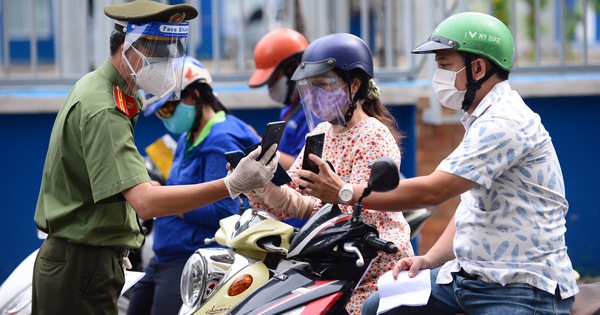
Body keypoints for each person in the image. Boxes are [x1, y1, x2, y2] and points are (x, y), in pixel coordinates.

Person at [296, 12, 579, 315]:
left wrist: (344, 191)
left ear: (479, 68)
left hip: (520, 286)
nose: (437, 75)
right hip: (467, 278)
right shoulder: (479, 119)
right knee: (376, 307)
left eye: (444, 65)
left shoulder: (504, 123)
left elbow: (435, 190)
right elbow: (471, 208)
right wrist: (430, 259)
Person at [32, 2, 279, 314]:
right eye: (160, 53)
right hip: (81, 262)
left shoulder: (111, 91)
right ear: (128, 48)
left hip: (90, 256)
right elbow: (146, 202)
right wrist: (231, 184)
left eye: (173, 52)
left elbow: (106, 185)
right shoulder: (105, 108)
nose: (167, 64)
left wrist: (116, 241)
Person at [244, 33, 413, 315]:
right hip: (329, 267)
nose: (314, 96)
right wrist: (259, 183)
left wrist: (313, 199)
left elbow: (359, 218)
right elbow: (292, 197)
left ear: (354, 85)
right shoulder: (320, 133)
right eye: (309, 87)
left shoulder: (372, 136)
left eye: (323, 85)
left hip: (370, 274)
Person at [126, 56, 260, 315]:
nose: (166, 117)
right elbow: (182, 187)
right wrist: (161, 190)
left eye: (168, 109)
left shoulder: (221, 139)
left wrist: (164, 202)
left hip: (190, 259)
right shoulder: (190, 136)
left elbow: (223, 212)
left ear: (195, 95)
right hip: (164, 257)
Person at [248, 28, 310, 170]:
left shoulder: (314, 111)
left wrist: (257, 143)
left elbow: (303, 167)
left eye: (274, 79)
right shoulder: (289, 107)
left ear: (293, 69)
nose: (271, 87)